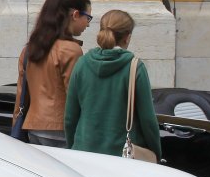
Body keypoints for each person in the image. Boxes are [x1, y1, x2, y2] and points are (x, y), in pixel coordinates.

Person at [64, 9, 162, 160]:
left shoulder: (82, 63)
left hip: (83, 152)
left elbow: (70, 117)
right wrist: (155, 153)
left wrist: (73, 146)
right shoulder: (135, 68)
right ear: (127, 37)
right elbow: (148, 120)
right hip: (121, 157)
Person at [11, 0, 92, 147]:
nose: (88, 24)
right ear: (75, 14)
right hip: (61, 129)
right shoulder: (70, 50)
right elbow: (75, 96)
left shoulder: (30, 49)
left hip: (33, 127)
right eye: (88, 17)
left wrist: (16, 124)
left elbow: (21, 93)